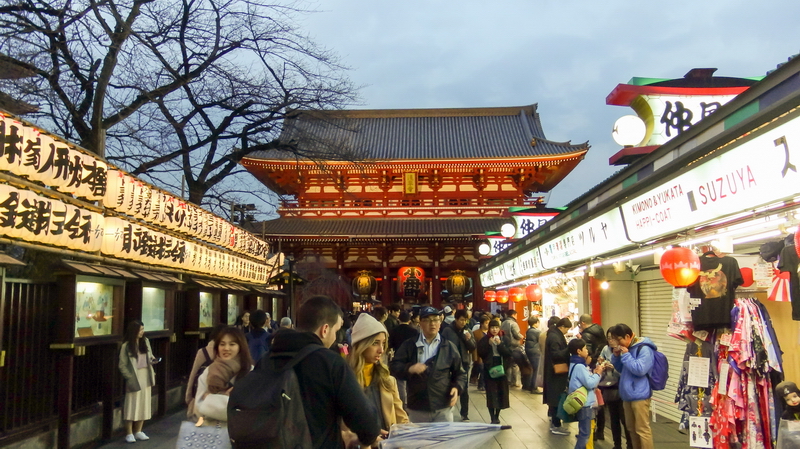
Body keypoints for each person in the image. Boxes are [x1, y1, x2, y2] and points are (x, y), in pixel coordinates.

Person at [269, 295, 381, 448]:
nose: (335, 338)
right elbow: (367, 424)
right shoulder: (330, 363)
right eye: (336, 331)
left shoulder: (267, 359)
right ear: (325, 330)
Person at [390, 306, 466, 423]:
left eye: (435, 320)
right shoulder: (410, 345)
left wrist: (457, 388)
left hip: (442, 407)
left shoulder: (449, 347)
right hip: (417, 407)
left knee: (443, 435)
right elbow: (394, 367)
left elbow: (460, 374)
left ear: (440, 322)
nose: (432, 324)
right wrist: (409, 368)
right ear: (420, 322)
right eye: (427, 320)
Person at [345, 313, 409, 440]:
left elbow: (402, 419)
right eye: (375, 343)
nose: (381, 350)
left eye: (383, 343)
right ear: (361, 344)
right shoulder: (345, 381)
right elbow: (342, 428)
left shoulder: (388, 380)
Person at [609, 323, 656, 449]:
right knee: (631, 428)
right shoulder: (627, 348)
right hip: (627, 395)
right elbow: (621, 369)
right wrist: (616, 357)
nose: (617, 343)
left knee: (642, 429)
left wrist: (626, 355)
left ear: (627, 336)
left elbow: (640, 369)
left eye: (618, 340)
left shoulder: (644, 348)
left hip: (640, 394)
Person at [194, 327, 253, 425]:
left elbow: (247, 410)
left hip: (239, 430)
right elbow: (199, 407)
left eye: (232, 344)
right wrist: (229, 401)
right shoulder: (209, 371)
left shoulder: (250, 372)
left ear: (241, 347)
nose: (226, 348)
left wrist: (210, 399)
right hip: (211, 431)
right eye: (222, 344)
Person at [118, 320, 157, 443]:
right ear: (133, 331)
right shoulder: (126, 346)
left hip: (145, 374)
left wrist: (153, 360)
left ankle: (138, 431)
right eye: (140, 330)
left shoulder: (145, 341)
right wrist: (129, 377)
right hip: (134, 377)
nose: (142, 332)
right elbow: (122, 364)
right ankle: (129, 433)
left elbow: (150, 355)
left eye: (143, 329)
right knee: (131, 404)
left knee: (144, 404)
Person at [599, 326, 633, 449]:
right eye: (609, 338)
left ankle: (630, 444)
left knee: (625, 419)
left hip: (621, 387)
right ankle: (617, 444)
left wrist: (614, 367)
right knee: (613, 418)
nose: (611, 341)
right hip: (609, 387)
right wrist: (601, 365)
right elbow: (599, 363)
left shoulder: (625, 350)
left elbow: (626, 370)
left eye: (613, 338)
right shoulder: (605, 349)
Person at [441, 309, 477, 421]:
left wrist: (468, 339)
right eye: (461, 320)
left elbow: (473, 347)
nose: (463, 322)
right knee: (449, 387)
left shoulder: (467, 331)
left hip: (464, 363)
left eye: (465, 320)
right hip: (449, 363)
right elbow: (442, 345)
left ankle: (464, 413)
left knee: (464, 388)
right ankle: (447, 409)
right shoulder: (447, 331)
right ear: (456, 319)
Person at [568, 338, 603, 449]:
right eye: (585, 348)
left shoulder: (573, 363)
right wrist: (598, 374)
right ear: (579, 351)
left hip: (579, 401)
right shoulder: (580, 366)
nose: (587, 350)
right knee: (585, 434)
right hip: (585, 403)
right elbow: (590, 383)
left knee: (583, 431)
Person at [185, 323, 227, 415]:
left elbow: (193, 374)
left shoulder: (203, 352)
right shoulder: (229, 353)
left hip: (202, 396)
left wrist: (189, 397)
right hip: (222, 398)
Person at [476, 319, 512, 424]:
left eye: (496, 327)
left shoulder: (504, 338)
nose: (494, 330)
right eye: (492, 327)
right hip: (489, 368)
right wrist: (488, 344)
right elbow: (481, 353)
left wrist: (500, 344)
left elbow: (508, 353)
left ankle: (497, 415)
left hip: (501, 367)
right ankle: (492, 417)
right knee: (491, 393)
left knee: (501, 391)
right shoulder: (485, 339)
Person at [578, 314, 607, 440]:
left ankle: (591, 432)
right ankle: (600, 431)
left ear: (583, 323)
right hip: (600, 367)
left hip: (592, 369)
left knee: (592, 402)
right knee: (600, 402)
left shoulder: (586, 335)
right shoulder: (600, 331)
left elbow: (587, 354)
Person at [544, 317, 572, 436]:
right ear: (562, 327)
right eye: (567, 329)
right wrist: (568, 349)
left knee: (554, 398)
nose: (567, 331)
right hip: (556, 373)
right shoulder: (555, 337)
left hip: (554, 373)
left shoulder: (553, 334)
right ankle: (556, 425)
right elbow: (556, 354)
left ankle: (555, 423)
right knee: (556, 398)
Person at [500, 309, 523, 388]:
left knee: (507, 364)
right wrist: (522, 336)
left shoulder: (503, 323)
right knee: (514, 364)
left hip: (505, 345)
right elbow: (516, 334)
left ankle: (507, 381)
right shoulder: (513, 323)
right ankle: (515, 381)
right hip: (514, 346)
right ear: (513, 315)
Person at [473, 314, 491, 391]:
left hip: (488, 355)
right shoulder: (476, 333)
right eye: (486, 323)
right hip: (479, 354)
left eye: (488, 323)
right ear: (482, 324)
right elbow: (474, 345)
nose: (488, 325)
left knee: (485, 370)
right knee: (482, 368)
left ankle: (482, 384)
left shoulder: (490, 333)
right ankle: (481, 384)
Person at [525, 316, 542, 393]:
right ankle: (534, 387)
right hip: (535, 351)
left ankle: (531, 386)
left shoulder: (528, 331)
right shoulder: (537, 332)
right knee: (536, 369)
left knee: (533, 368)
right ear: (536, 323)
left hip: (529, 350)